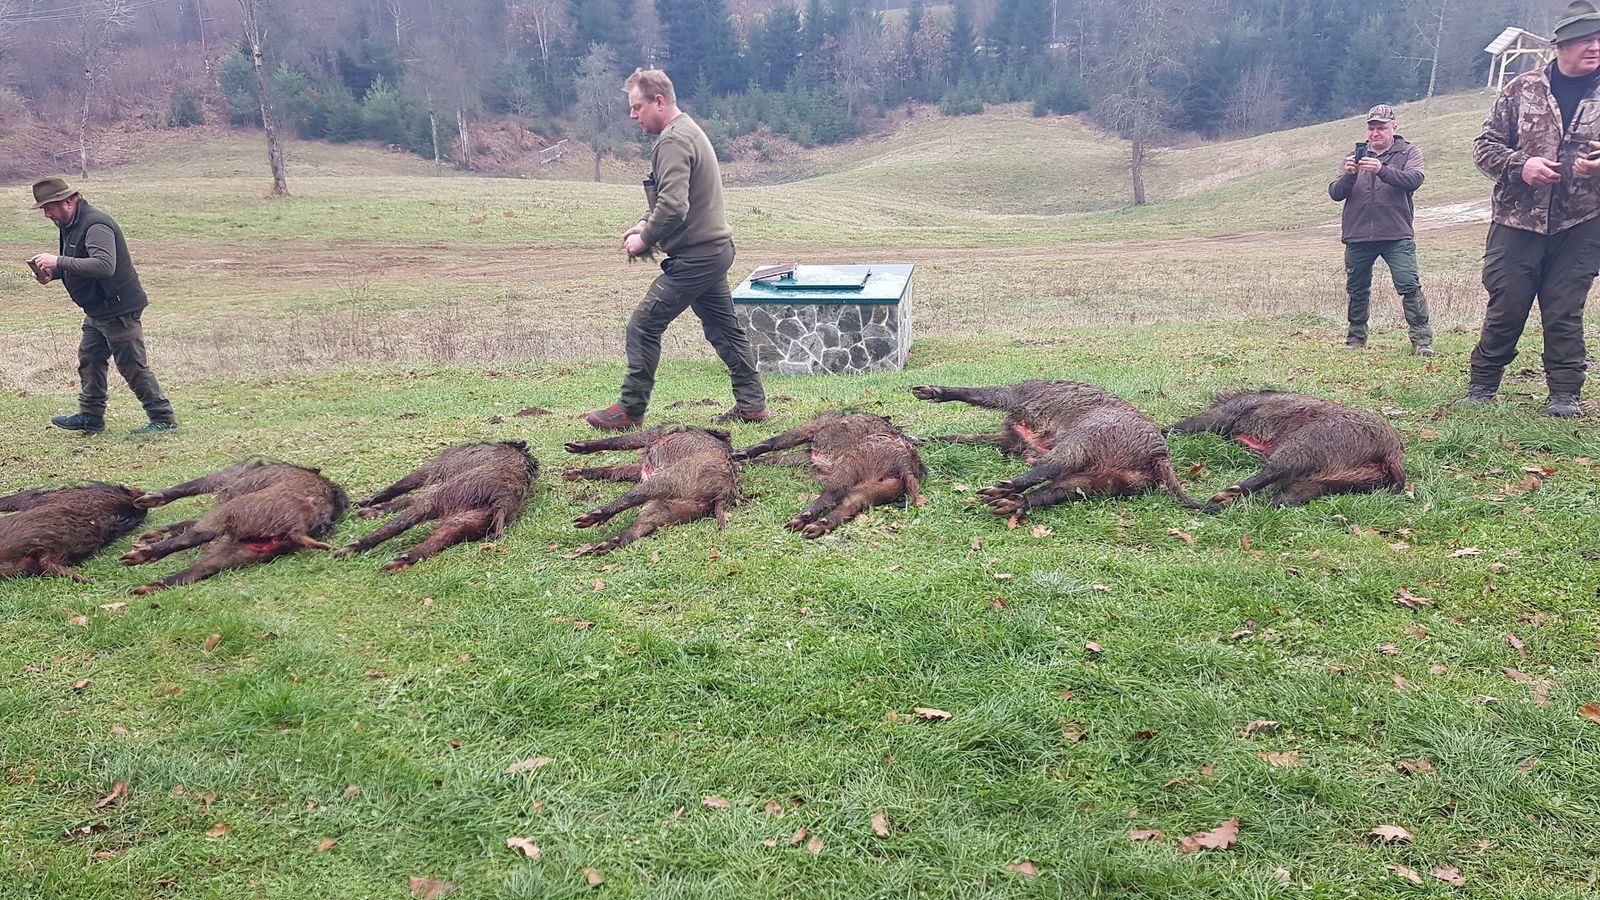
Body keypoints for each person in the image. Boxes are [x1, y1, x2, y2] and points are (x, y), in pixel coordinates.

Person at [585, 67, 772, 431]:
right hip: (714, 250)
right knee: (724, 329)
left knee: (643, 325)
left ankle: (630, 409)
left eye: (637, 107)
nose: (632, 115)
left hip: (697, 257)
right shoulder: (687, 130)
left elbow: (673, 207)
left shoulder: (672, 140)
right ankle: (752, 405)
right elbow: (675, 196)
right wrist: (643, 221)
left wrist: (644, 239)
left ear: (659, 100)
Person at [1465, 0, 1600, 417]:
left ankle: (1564, 394)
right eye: (1584, 40)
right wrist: (1522, 166)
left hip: (1583, 222)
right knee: (1507, 304)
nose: (1594, 46)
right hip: (1516, 221)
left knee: (1564, 308)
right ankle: (1483, 385)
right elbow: (1484, 148)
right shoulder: (1521, 88)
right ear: (1561, 45)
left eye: (1599, 38)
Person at [27, 177, 179, 435]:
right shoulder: (69, 223)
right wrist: (53, 274)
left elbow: (103, 266)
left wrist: (59, 261)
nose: (46, 214)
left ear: (67, 201)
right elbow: (79, 262)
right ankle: (91, 416)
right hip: (97, 309)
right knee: (90, 359)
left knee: (131, 365)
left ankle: (163, 418)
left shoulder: (95, 224)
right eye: (43, 209)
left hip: (118, 308)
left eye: (49, 208)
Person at [1328, 104, 1433, 356]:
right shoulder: (1352, 157)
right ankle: (1355, 339)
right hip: (1358, 234)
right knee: (1357, 289)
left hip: (1397, 234)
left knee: (1409, 284)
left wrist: (1382, 170)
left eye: (1381, 128)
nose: (1375, 133)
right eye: (1371, 128)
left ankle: (1422, 341)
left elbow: (1415, 180)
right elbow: (1335, 193)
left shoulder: (1409, 152)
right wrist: (1350, 175)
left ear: (1393, 128)